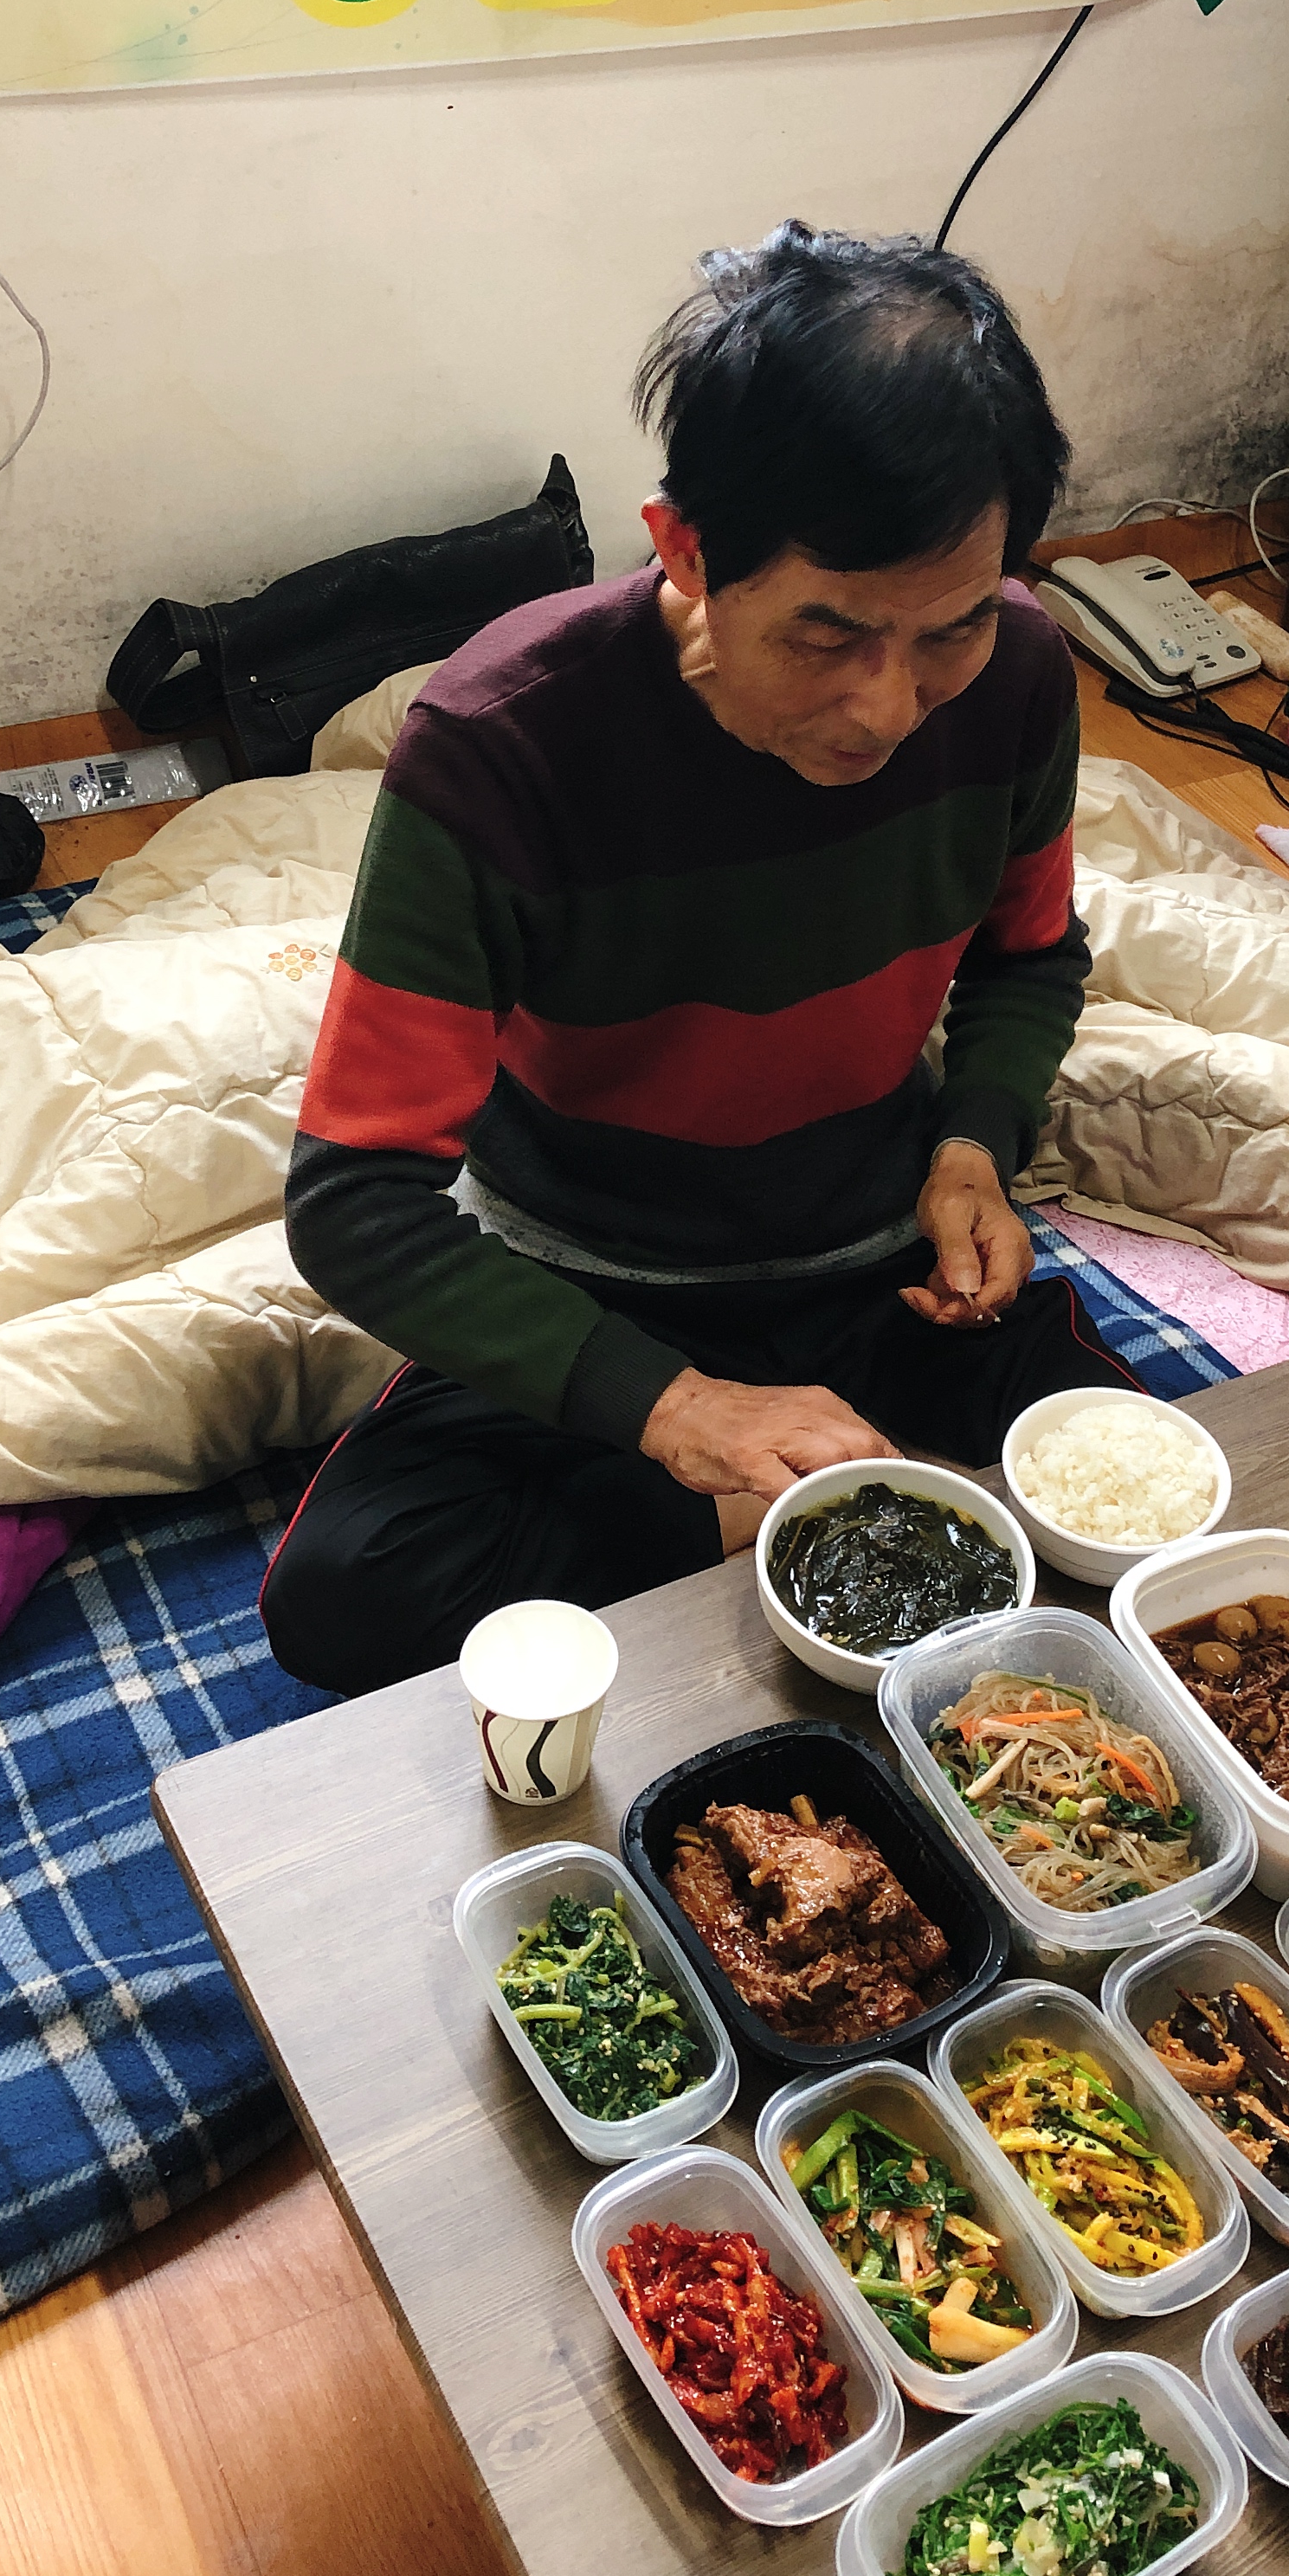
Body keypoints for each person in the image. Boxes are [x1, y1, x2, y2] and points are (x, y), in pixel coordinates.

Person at [261, 223, 1140, 1694]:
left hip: (884, 1275)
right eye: (826, 635)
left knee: (1146, 1498)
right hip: (595, 1280)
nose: (887, 708)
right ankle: (786, 1514)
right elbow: (354, 1204)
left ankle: (796, 1517)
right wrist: (677, 1412)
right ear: (683, 550)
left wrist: (972, 1148)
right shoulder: (500, 747)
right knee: (347, 1592)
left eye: (946, 630)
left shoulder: (1021, 678)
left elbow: (1030, 958)